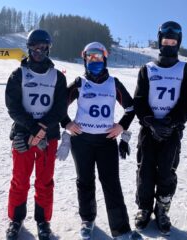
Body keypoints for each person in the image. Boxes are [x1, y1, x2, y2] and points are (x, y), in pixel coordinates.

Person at [57, 42, 142, 240]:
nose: (94, 61)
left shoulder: (114, 83)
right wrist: (67, 123)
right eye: (90, 57)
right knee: (85, 181)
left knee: (111, 183)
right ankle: (87, 220)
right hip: (82, 141)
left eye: (98, 57)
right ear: (85, 59)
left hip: (106, 142)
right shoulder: (79, 82)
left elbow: (130, 108)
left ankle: (121, 230)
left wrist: (121, 126)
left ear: (105, 58)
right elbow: (59, 106)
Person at [133, 21, 187, 235]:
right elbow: (140, 100)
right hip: (149, 131)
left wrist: (171, 122)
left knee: (166, 172)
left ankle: (162, 209)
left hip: (171, 132)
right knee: (145, 169)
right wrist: (151, 122)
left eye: (173, 41)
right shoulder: (147, 69)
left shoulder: (186, 70)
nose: (169, 45)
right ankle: (144, 208)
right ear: (159, 41)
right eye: (165, 41)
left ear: (178, 43)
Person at [5, 29, 67, 240]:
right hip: (24, 134)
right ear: (29, 48)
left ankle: (43, 221)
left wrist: (42, 131)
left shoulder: (57, 77)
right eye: (35, 47)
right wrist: (32, 129)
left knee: (44, 181)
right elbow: (13, 108)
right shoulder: (18, 74)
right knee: (20, 180)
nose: (39, 51)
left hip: (48, 136)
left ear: (48, 48)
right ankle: (16, 219)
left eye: (43, 47)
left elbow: (59, 110)